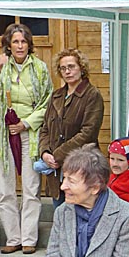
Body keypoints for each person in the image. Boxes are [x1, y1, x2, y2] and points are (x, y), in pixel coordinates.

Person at [0, 23, 52, 254]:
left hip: (30, 131)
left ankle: (29, 238)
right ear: (8, 46)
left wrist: (26, 122)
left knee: (31, 187)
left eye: (23, 41)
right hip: (4, 134)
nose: (20, 46)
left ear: (29, 44)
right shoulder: (2, 68)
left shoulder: (39, 68)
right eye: (15, 42)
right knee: (5, 188)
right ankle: (13, 237)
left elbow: (47, 101)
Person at [39, 47, 104, 209]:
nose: (67, 71)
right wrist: (45, 152)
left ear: (81, 68)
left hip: (81, 167)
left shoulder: (92, 95)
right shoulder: (56, 95)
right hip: (56, 171)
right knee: (60, 215)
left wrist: (58, 155)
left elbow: (88, 132)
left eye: (71, 66)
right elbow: (45, 128)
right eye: (63, 68)